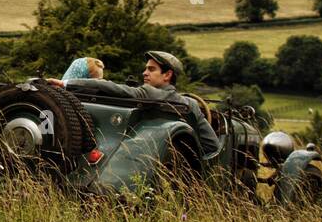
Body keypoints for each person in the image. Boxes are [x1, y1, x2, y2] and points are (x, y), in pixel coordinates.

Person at [47, 50, 222, 161]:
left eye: (151, 69)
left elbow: (110, 86)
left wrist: (65, 84)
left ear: (167, 75)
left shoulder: (150, 93)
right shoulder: (190, 103)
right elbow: (212, 146)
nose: (144, 73)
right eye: (146, 68)